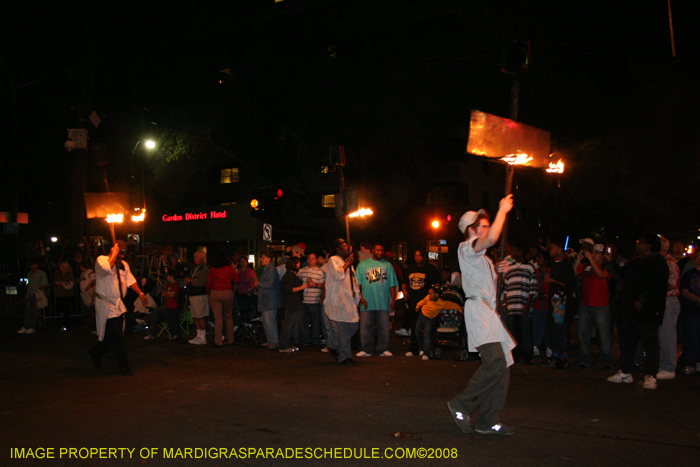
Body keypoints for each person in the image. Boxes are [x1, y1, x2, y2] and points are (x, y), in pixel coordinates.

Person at [446, 194, 516, 436]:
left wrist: (500, 272)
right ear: (471, 229)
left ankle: (487, 420)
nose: (488, 230)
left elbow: (491, 288)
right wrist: (502, 211)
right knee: (496, 361)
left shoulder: (485, 259)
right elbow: (494, 237)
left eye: (488, 225)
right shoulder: (466, 248)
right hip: (478, 312)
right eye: (483, 226)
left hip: (489, 313)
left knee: (503, 364)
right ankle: (461, 404)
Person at [606, 232, 669, 390]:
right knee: (628, 342)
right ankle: (626, 372)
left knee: (650, 342)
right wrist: (610, 262)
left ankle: (650, 374)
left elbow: (657, 287)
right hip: (631, 311)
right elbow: (622, 278)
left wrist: (642, 301)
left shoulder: (658, 263)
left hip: (648, 311)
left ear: (648, 245)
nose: (637, 245)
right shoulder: (635, 263)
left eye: (640, 242)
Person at [88, 240, 148, 376]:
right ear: (114, 249)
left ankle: (96, 352)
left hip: (118, 305)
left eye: (124, 253)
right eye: (121, 252)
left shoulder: (124, 265)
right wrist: (114, 254)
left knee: (112, 336)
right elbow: (107, 269)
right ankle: (123, 364)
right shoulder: (101, 260)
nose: (122, 256)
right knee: (117, 336)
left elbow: (131, 280)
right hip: (106, 305)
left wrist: (141, 293)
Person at [355, 242, 398, 357]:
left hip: (383, 302)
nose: (380, 252)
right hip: (367, 302)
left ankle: (383, 349)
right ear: (372, 250)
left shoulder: (388, 265)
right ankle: (366, 349)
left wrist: (393, 299)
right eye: (377, 250)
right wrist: (360, 298)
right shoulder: (363, 265)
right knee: (365, 327)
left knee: (383, 327)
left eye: (381, 250)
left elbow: (392, 284)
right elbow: (358, 284)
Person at [574, 243, 613, 369]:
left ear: (602, 256)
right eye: (593, 253)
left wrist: (590, 259)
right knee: (583, 334)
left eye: (596, 253)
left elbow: (602, 275)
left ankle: (606, 361)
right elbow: (574, 273)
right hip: (585, 305)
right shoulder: (586, 266)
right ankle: (585, 360)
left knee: (603, 335)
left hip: (601, 306)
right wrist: (579, 259)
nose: (594, 255)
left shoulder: (606, 266)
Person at [324, 238, 360, 365]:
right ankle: (344, 356)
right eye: (344, 246)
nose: (347, 248)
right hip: (339, 300)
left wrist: (360, 297)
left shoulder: (346, 262)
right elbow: (339, 275)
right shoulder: (333, 260)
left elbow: (353, 282)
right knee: (344, 329)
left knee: (354, 325)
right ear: (338, 249)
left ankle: (334, 344)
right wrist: (347, 264)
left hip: (348, 301)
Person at [499, 245, 537, 364]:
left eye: (514, 250)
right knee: (512, 333)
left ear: (520, 252)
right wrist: (504, 303)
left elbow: (533, 287)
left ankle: (526, 356)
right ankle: (514, 356)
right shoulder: (510, 267)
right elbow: (506, 287)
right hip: (511, 305)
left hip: (523, 305)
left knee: (526, 332)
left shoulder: (529, 267)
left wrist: (528, 304)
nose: (512, 253)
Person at [542, 241, 576, 370]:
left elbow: (570, 285)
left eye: (552, 248)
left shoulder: (566, 265)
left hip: (563, 303)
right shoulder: (552, 265)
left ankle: (564, 358)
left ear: (560, 249)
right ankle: (555, 356)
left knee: (563, 330)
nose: (550, 251)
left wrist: (552, 281)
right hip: (553, 302)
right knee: (554, 329)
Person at [401, 250, 440, 358]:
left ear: (424, 257)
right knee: (415, 327)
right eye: (416, 256)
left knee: (427, 328)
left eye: (419, 256)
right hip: (413, 302)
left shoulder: (430, 269)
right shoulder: (411, 269)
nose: (417, 258)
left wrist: (433, 294)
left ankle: (426, 349)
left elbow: (437, 283)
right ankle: (414, 348)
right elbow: (404, 282)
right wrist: (405, 291)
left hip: (426, 304)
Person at [415, 286, 462, 360]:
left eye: (431, 294)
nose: (429, 296)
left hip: (430, 319)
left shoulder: (441, 303)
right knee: (417, 331)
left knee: (427, 335)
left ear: (436, 295)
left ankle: (426, 352)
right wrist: (418, 306)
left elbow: (453, 305)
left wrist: (461, 310)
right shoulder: (428, 298)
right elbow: (423, 301)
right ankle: (420, 348)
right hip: (422, 315)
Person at [657, 237, 681, 379]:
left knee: (667, 335)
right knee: (662, 334)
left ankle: (669, 367)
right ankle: (663, 365)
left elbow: (672, 284)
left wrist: (655, 290)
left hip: (669, 301)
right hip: (663, 301)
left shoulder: (670, 263)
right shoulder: (662, 262)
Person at [207, 252, 239, 348]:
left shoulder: (213, 269)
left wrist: (209, 294)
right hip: (227, 292)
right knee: (228, 316)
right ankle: (231, 340)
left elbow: (209, 283)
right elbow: (236, 280)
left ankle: (218, 341)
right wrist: (234, 269)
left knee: (218, 318)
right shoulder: (229, 269)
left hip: (215, 292)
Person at [297, 252, 325, 349]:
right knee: (303, 323)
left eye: (313, 258)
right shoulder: (301, 271)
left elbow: (324, 285)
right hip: (304, 301)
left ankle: (315, 342)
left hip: (315, 301)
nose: (310, 260)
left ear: (316, 260)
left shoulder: (321, 272)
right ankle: (304, 341)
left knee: (316, 322)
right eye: (309, 258)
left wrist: (315, 284)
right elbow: (297, 281)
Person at [279, 257, 307, 353]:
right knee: (288, 325)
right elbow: (288, 290)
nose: (299, 264)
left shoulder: (291, 275)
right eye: (298, 263)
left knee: (291, 325)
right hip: (291, 303)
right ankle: (284, 345)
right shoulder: (289, 276)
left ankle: (289, 344)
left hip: (294, 303)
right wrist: (301, 287)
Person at [256, 252, 281, 350]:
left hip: (269, 300)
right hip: (267, 299)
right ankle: (271, 340)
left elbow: (269, 284)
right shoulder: (268, 268)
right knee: (267, 321)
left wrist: (259, 283)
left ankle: (274, 341)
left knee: (269, 321)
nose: (261, 260)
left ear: (268, 259)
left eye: (263, 257)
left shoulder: (270, 269)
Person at [185, 251, 210, 345]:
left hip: (200, 295)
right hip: (193, 294)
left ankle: (202, 337)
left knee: (200, 316)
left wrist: (191, 280)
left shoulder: (205, 269)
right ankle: (198, 335)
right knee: (195, 316)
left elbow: (203, 282)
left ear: (203, 259)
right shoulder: (194, 268)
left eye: (197, 257)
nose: (195, 259)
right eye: (195, 257)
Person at [18, 261, 49, 334]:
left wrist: (37, 290)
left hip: (36, 295)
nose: (33, 266)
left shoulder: (41, 273)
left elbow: (44, 284)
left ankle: (32, 327)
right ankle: (26, 326)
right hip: (29, 294)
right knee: (27, 310)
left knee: (35, 311)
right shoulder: (29, 273)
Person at [54, 260, 76, 330]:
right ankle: (61, 323)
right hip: (59, 294)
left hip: (67, 295)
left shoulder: (70, 274)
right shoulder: (58, 273)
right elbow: (54, 280)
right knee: (60, 309)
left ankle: (66, 324)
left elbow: (71, 283)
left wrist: (62, 282)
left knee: (67, 310)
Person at [237, 256, 258, 322]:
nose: (242, 263)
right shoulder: (238, 271)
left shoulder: (250, 271)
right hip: (240, 292)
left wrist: (254, 289)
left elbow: (256, 280)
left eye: (244, 261)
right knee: (241, 308)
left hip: (248, 293)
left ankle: (247, 322)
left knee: (247, 308)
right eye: (241, 261)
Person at [78, 260, 96, 329]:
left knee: (88, 309)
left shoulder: (90, 272)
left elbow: (94, 280)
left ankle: (90, 323)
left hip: (89, 293)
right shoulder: (83, 273)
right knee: (85, 309)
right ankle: (87, 322)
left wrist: (89, 286)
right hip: (84, 293)